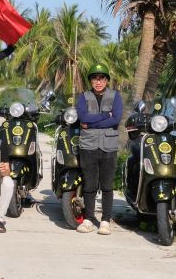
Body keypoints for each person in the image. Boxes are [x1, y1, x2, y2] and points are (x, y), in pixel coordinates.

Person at [74, 62, 123, 235]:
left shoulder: (115, 96)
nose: (98, 81)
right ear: (91, 81)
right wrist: (104, 116)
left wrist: (92, 122)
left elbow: (116, 119)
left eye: (101, 78)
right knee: (90, 184)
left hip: (109, 147)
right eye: (95, 78)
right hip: (88, 146)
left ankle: (105, 220)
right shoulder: (83, 96)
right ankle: (88, 218)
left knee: (107, 185)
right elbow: (82, 117)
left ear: (107, 80)